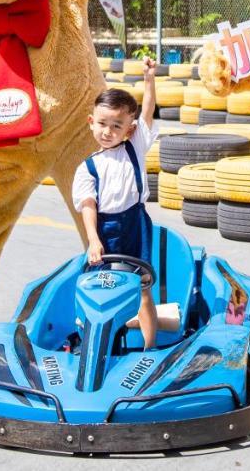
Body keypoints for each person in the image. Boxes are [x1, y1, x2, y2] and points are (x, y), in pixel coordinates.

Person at [72, 57, 159, 349]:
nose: (108, 131)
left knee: (143, 286)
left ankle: (150, 347)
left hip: (135, 223)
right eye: (102, 124)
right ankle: (93, 346)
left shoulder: (135, 147)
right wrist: (93, 240)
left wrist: (149, 79)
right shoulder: (87, 167)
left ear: (129, 130)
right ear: (91, 123)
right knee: (98, 286)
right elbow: (88, 206)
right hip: (105, 230)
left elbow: (146, 112)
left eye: (116, 125)